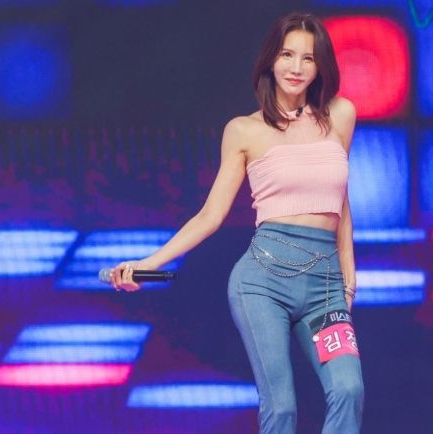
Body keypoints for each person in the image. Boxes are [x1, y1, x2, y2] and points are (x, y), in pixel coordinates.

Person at [110, 11, 364, 434]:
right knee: (281, 408)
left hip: (324, 287)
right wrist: (148, 262)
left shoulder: (341, 115)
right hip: (262, 283)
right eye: (287, 55)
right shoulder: (245, 130)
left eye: (308, 57)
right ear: (271, 60)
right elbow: (211, 215)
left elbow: (341, 200)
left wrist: (348, 273)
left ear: (320, 66)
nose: (296, 67)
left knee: (348, 389)